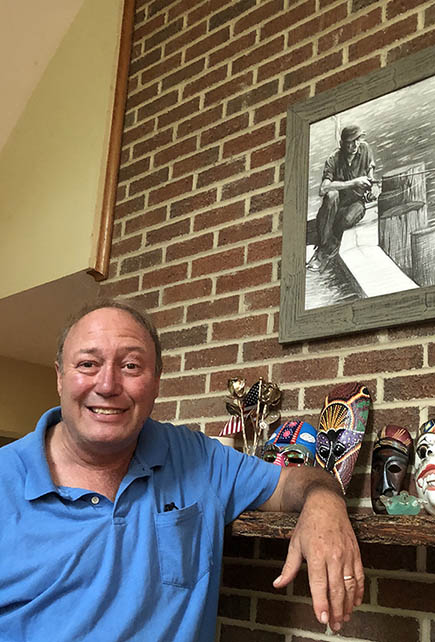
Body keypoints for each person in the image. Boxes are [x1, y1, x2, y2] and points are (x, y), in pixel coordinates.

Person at [0, 300, 363, 641]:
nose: (107, 385)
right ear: (60, 376)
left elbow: (290, 482)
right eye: (87, 364)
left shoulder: (198, 457)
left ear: (156, 381)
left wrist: (324, 502)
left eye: (131, 366)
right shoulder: (6, 478)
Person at [307, 124, 379, 273]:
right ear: (342, 143)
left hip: (356, 203)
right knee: (331, 195)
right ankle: (324, 249)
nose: (355, 145)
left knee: (347, 218)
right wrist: (353, 183)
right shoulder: (333, 158)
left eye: (358, 140)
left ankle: (324, 247)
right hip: (336, 205)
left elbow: (371, 178)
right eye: (351, 142)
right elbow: (323, 189)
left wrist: (373, 190)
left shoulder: (365, 149)